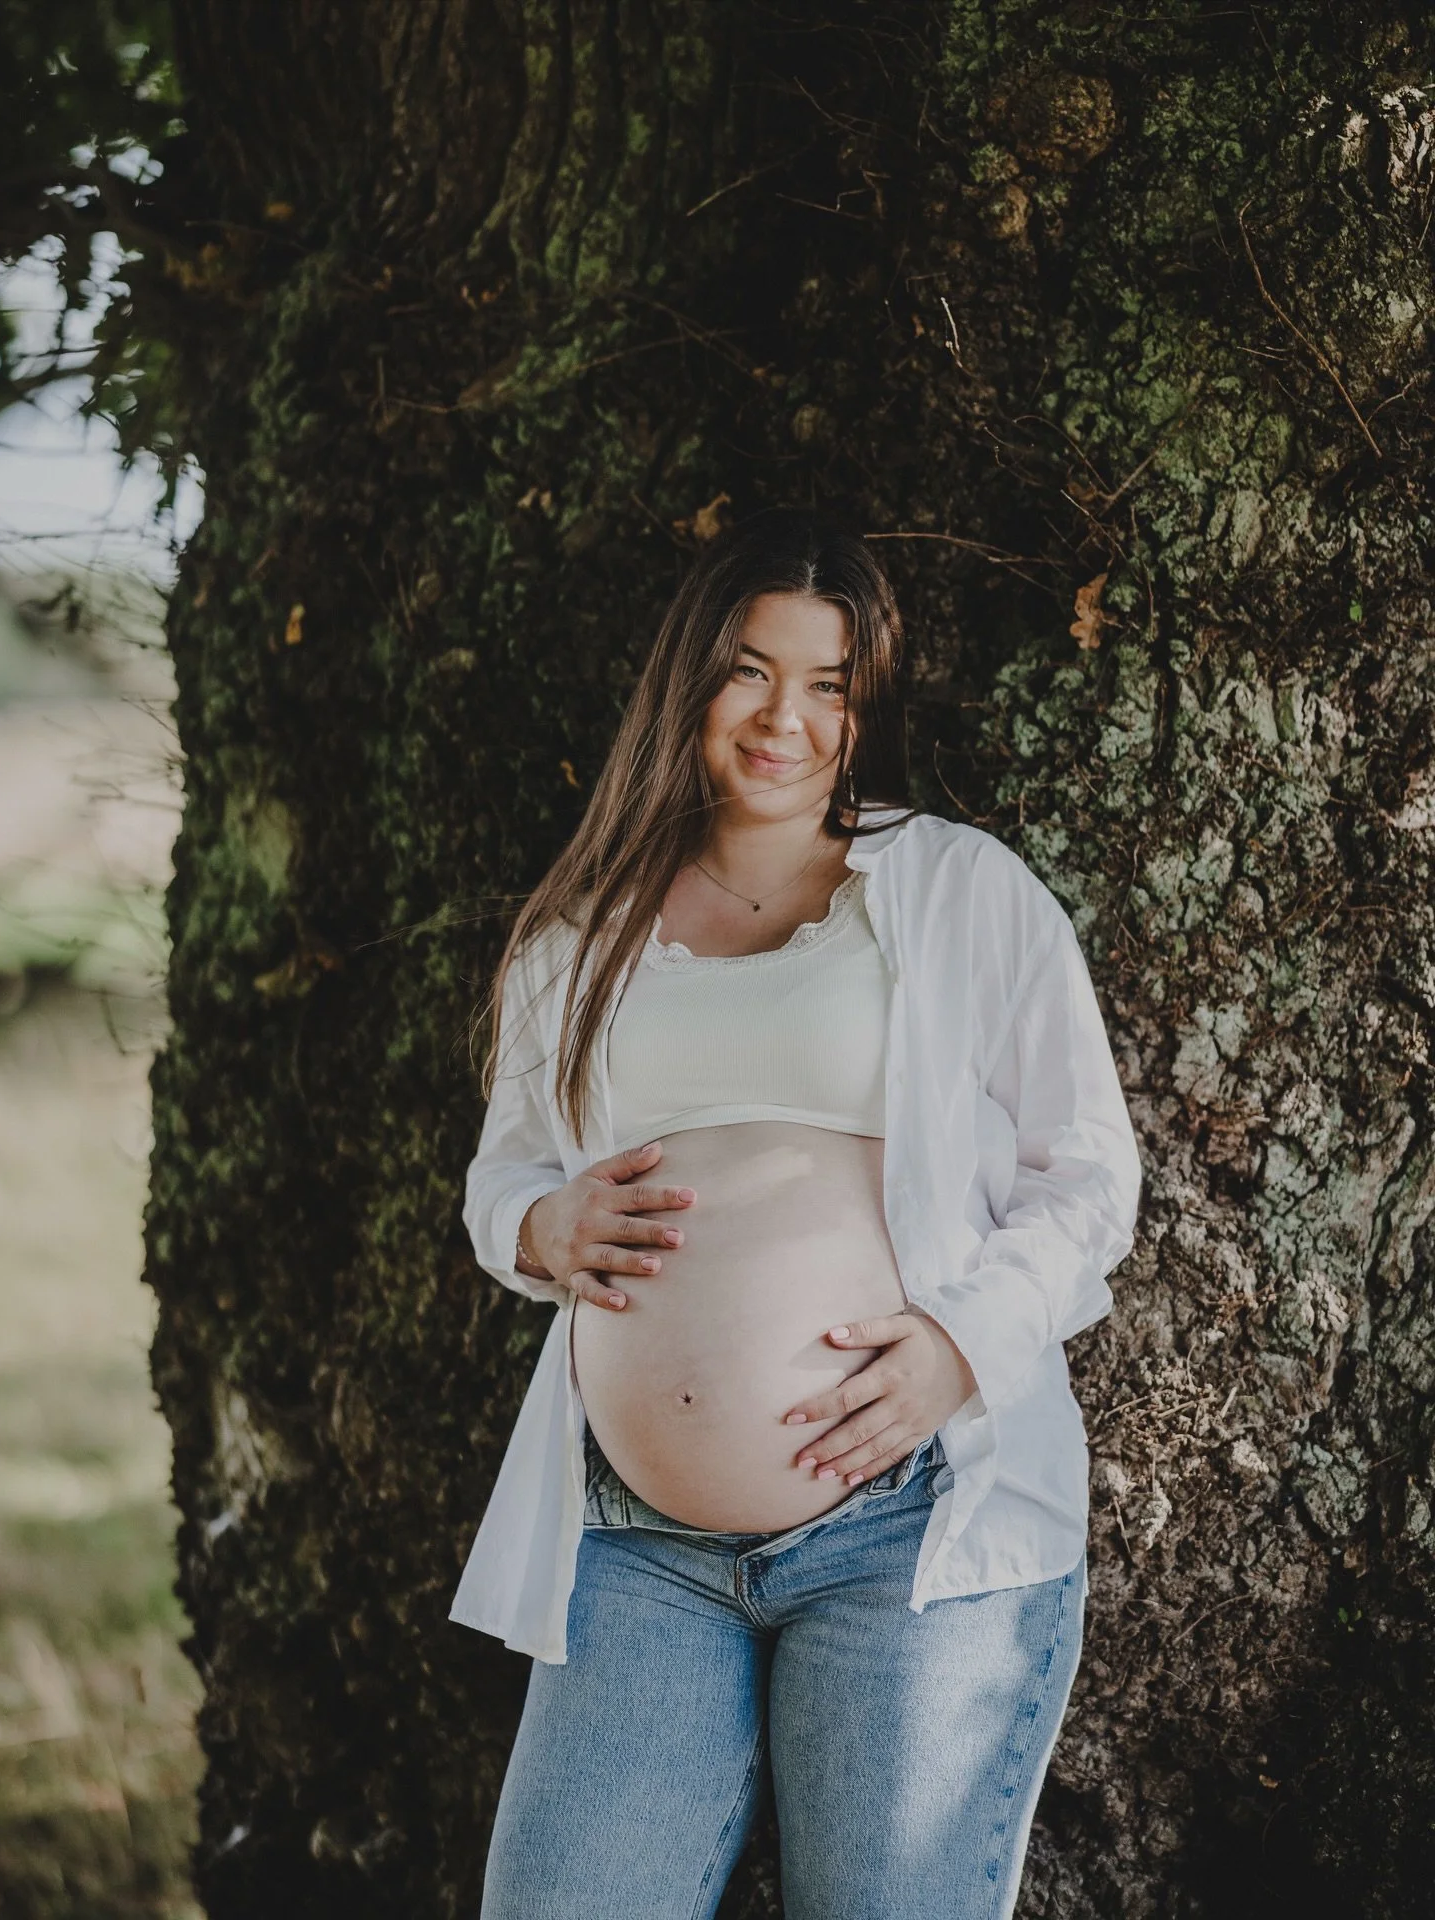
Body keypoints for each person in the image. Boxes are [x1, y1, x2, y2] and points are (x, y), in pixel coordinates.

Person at [452, 508, 1143, 1919]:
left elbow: (1088, 1172)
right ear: (690, 681)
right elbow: (504, 1175)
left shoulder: (954, 890)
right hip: (634, 1544)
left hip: (908, 1527)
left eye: (830, 684)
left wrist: (959, 1345)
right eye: (751, 672)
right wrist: (538, 1227)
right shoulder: (579, 932)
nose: (787, 720)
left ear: (865, 707)